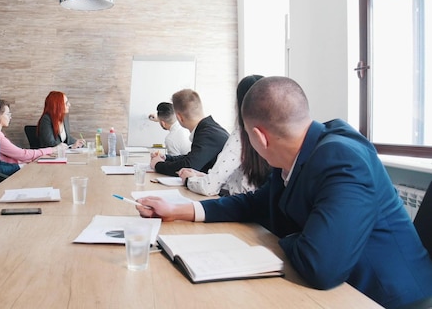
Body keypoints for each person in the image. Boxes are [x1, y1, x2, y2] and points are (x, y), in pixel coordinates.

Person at [137, 76, 432, 309]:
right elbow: (255, 203)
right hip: (341, 288)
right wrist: (183, 210)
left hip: (386, 297)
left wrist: (282, 239)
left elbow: (321, 267)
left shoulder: (343, 160)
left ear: (258, 137)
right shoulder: (297, 150)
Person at [177, 75, 270, 196]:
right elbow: (240, 181)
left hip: (238, 205)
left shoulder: (241, 134)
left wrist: (189, 180)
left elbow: (209, 187)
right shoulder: (273, 132)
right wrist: (200, 176)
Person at [149, 89, 229, 177]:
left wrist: (158, 165)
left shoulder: (207, 135)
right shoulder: (210, 128)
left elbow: (189, 166)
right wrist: (167, 158)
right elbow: (192, 158)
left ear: (179, 117)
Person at [0, 99, 63, 164]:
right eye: (7, 114)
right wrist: (52, 150)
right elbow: (22, 154)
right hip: (12, 172)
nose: (10, 117)